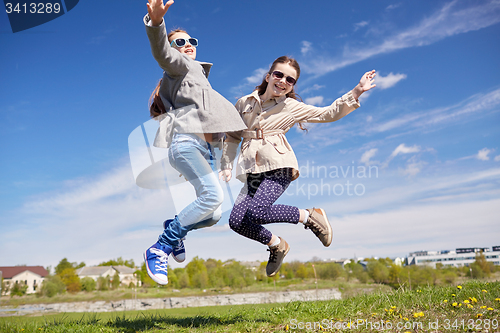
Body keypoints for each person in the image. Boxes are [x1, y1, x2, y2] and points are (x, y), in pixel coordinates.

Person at [220, 56, 376, 277]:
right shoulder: (244, 103)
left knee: (257, 211)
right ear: (268, 76)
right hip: (252, 169)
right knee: (237, 221)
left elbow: (327, 113)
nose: (283, 81)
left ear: (292, 85)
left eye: (290, 80)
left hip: (278, 164)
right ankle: (277, 245)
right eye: (279, 74)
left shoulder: (291, 106)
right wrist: (226, 163)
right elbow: (233, 135)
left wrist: (356, 92)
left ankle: (310, 216)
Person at [143, 0, 247, 285]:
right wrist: (156, 24)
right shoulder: (179, 67)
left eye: (191, 41)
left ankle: (174, 226)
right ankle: (160, 247)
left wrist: (224, 161)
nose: (188, 45)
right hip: (186, 143)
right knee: (213, 197)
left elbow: (218, 129)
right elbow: (162, 54)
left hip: (206, 150)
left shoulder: (198, 77)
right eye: (180, 42)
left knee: (213, 214)